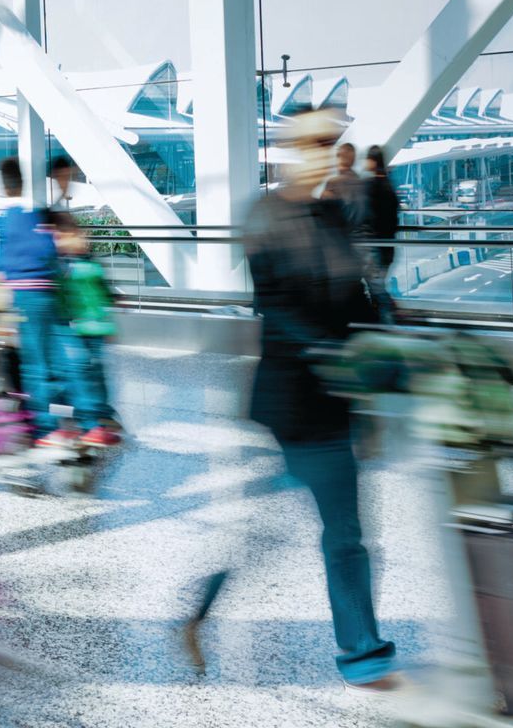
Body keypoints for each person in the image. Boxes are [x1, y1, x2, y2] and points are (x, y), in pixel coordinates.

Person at [183, 108, 397, 689]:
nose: (328, 151)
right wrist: (333, 353)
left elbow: (357, 297)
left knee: (276, 529)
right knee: (343, 532)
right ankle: (363, 655)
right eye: (318, 142)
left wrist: (384, 335)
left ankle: (199, 610)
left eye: (335, 141)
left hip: (332, 396)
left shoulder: (333, 213)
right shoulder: (267, 217)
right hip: (296, 399)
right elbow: (275, 306)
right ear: (292, 149)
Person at [0, 156, 80, 451]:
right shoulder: (35, 213)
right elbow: (49, 247)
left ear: (3, 186)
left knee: (35, 362)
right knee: (56, 358)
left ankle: (44, 426)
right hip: (49, 292)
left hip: (25, 295)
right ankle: (69, 419)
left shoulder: (9, 217)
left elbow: (1, 259)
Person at [51, 215, 119, 444]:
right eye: (73, 236)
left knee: (96, 372)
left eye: (80, 236)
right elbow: (61, 299)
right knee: (80, 372)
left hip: (97, 327)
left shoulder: (91, 261)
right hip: (76, 328)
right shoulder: (63, 266)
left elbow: (103, 290)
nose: (81, 240)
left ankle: (102, 413)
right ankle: (82, 416)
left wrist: (113, 303)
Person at [359, 145, 401, 323]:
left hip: (372, 246)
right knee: (377, 285)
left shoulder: (370, 186)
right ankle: (382, 319)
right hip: (388, 246)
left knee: (375, 287)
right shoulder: (389, 186)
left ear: (372, 161)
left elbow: (362, 215)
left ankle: (387, 320)